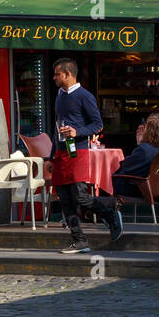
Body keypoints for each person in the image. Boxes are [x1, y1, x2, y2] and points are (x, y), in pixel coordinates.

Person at [51, 57, 120, 253]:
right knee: (64, 199)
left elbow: (97, 125)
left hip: (77, 151)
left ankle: (110, 214)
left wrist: (77, 132)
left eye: (57, 74)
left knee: (80, 196)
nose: (54, 77)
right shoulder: (59, 95)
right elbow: (57, 127)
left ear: (67, 74)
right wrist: (51, 155)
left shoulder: (85, 96)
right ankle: (79, 240)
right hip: (61, 152)